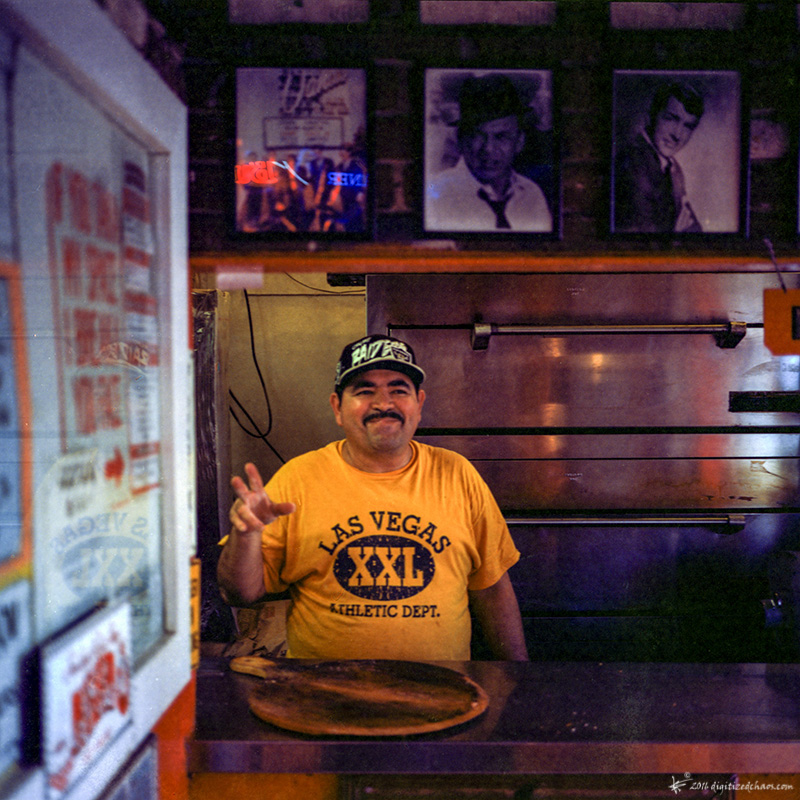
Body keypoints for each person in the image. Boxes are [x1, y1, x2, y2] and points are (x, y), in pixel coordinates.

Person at [217, 334, 529, 662]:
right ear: (337, 408)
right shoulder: (298, 478)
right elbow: (238, 593)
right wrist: (245, 536)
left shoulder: (457, 474)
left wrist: (518, 675)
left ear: (419, 405)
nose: (384, 403)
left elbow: (492, 589)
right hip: (322, 687)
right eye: (365, 391)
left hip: (443, 686)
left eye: (399, 390)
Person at [425, 73, 553, 233]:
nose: (488, 149)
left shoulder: (532, 195)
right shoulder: (436, 195)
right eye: (477, 136)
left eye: (501, 136)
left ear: (519, 142)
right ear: (460, 139)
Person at [614, 81, 704, 234]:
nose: (677, 134)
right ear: (650, 116)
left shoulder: (673, 169)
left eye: (688, 126)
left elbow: (695, 229)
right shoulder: (631, 162)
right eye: (671, 118)